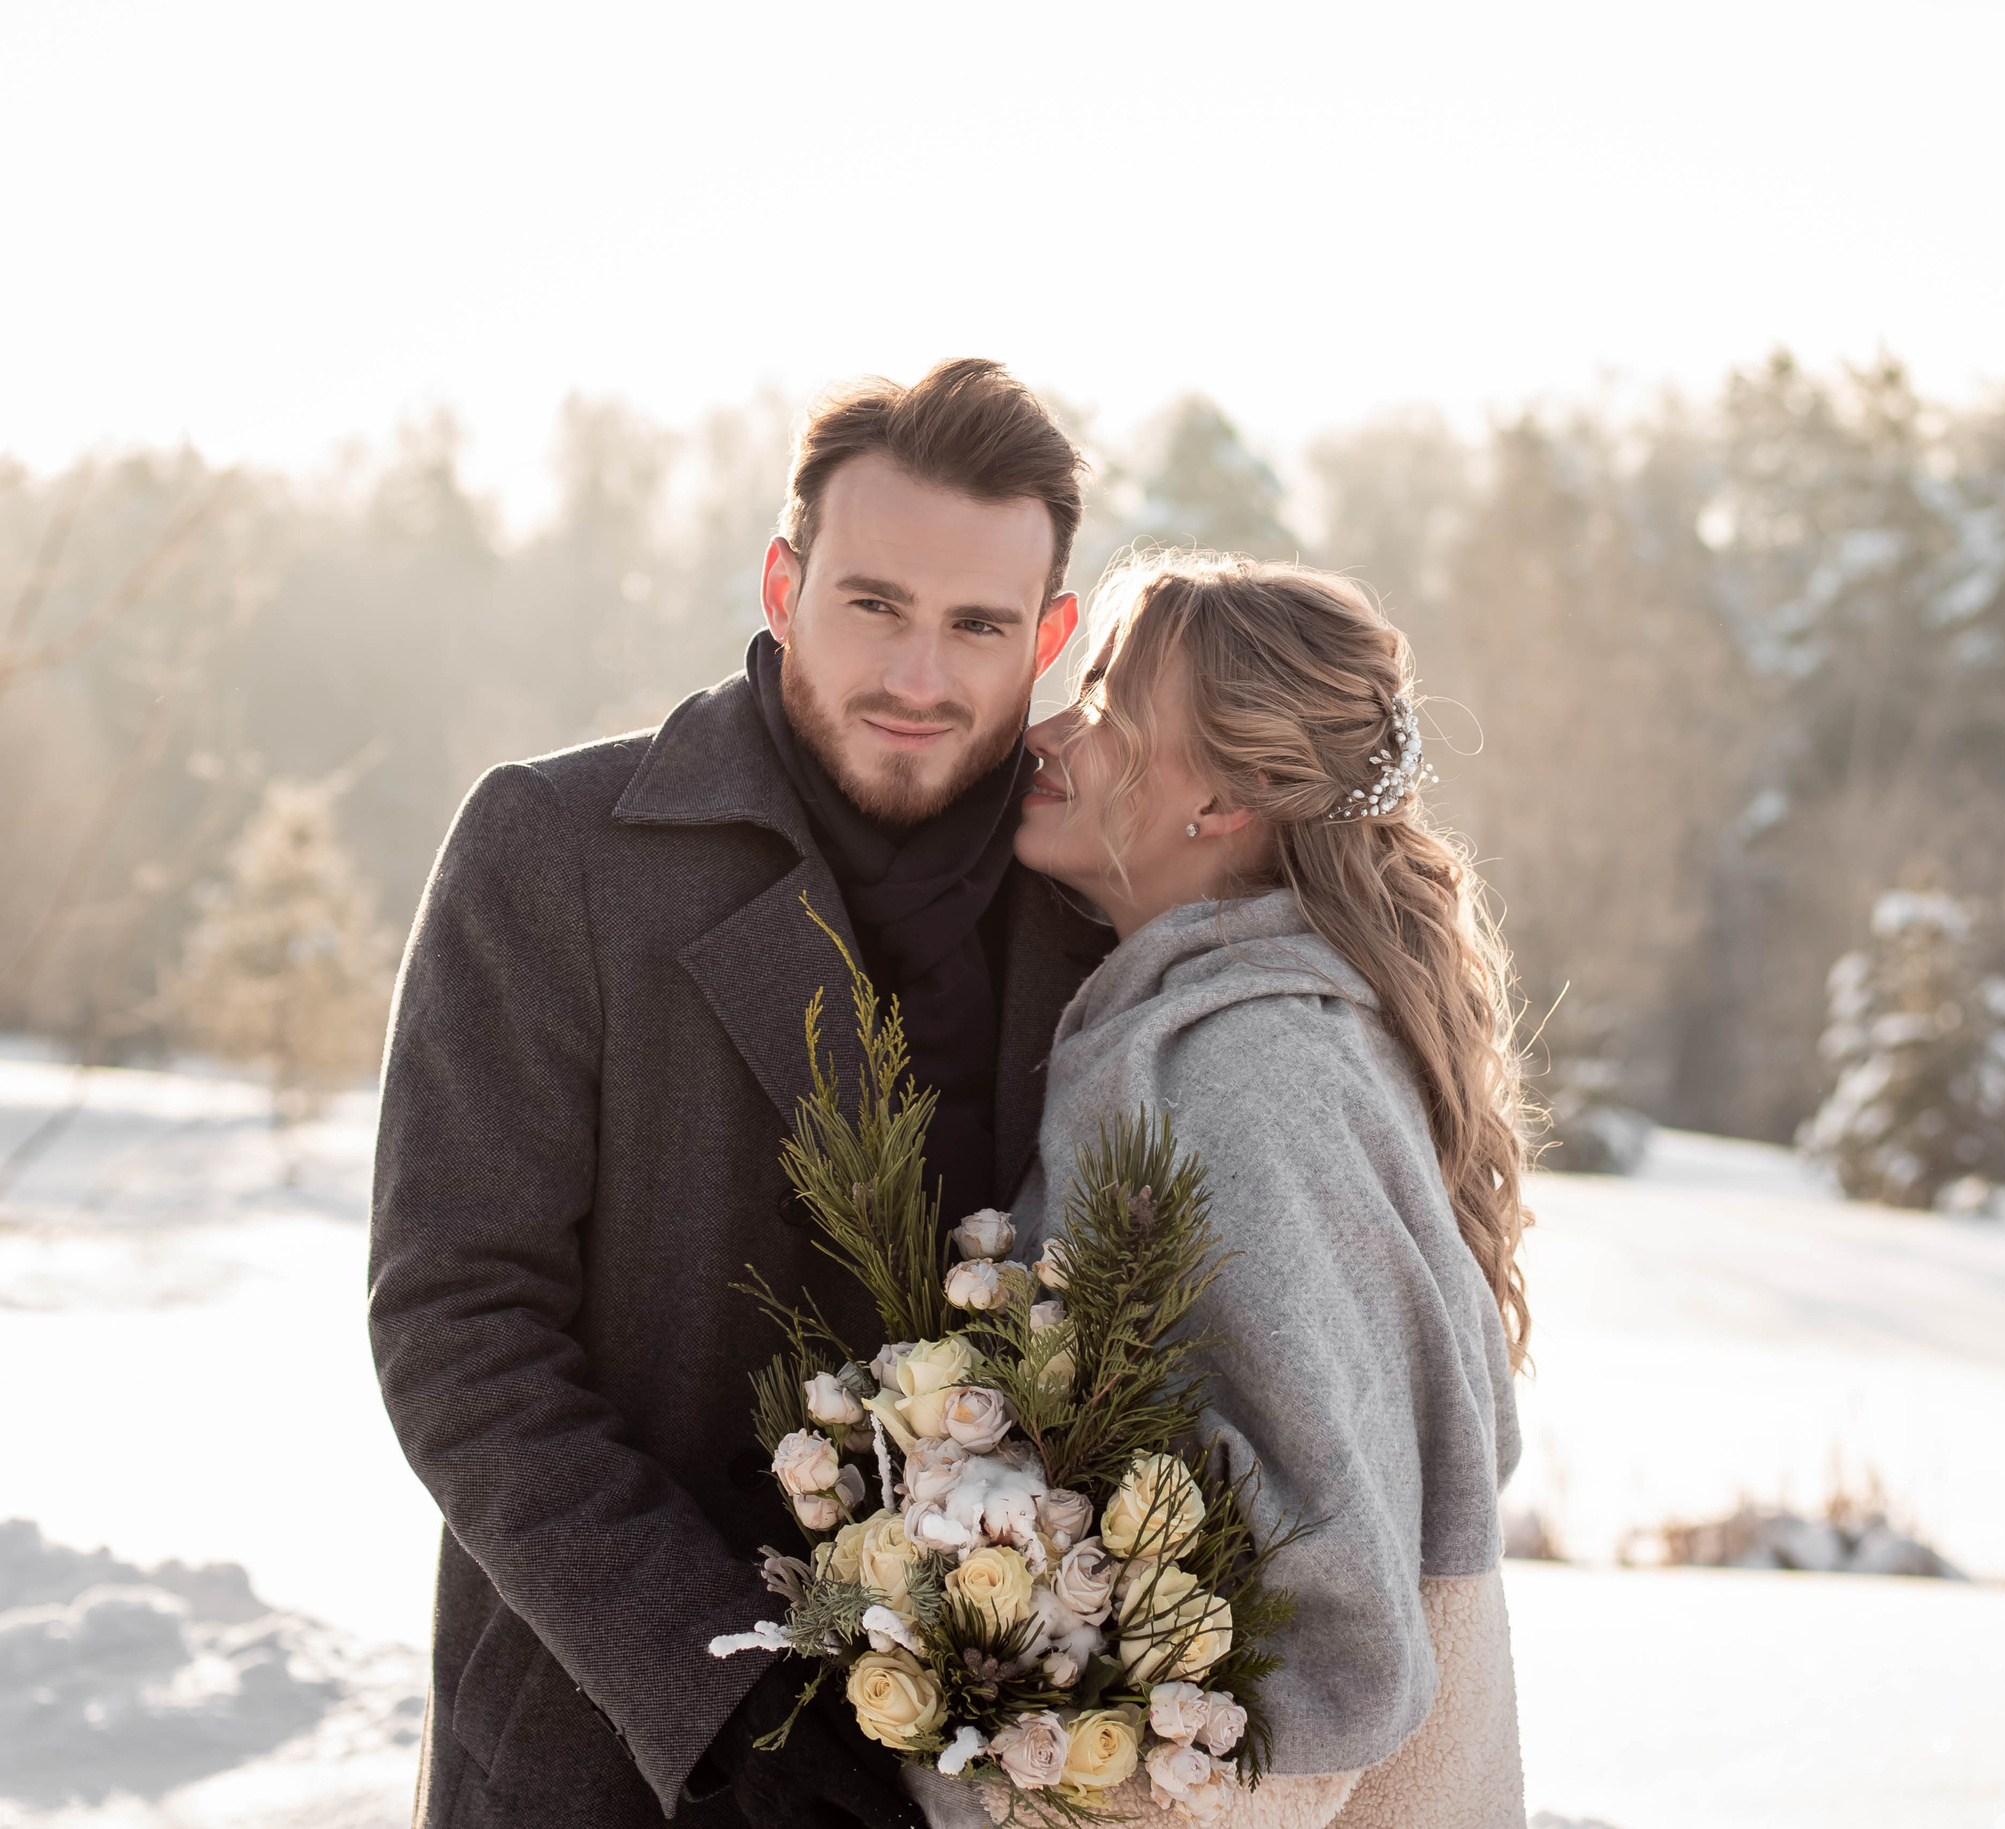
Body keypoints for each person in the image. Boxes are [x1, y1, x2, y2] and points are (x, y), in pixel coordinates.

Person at [368, 360, 1115, 1829]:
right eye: (874, 604)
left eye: (978, 625)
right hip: (617, 1747)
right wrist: (727, 1688)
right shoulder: (559, 849)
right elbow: (456, 1323)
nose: (921, 676)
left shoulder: (1094, 909)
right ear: (784, 584)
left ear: (1053, 637)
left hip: (985, 1777)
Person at [989, 551, 1533, 1827]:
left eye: (1109, 706)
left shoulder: (1251, 1070)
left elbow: (1326, 1623)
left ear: (1222, 799)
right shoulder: (1224, 1027)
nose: (1052, 731)